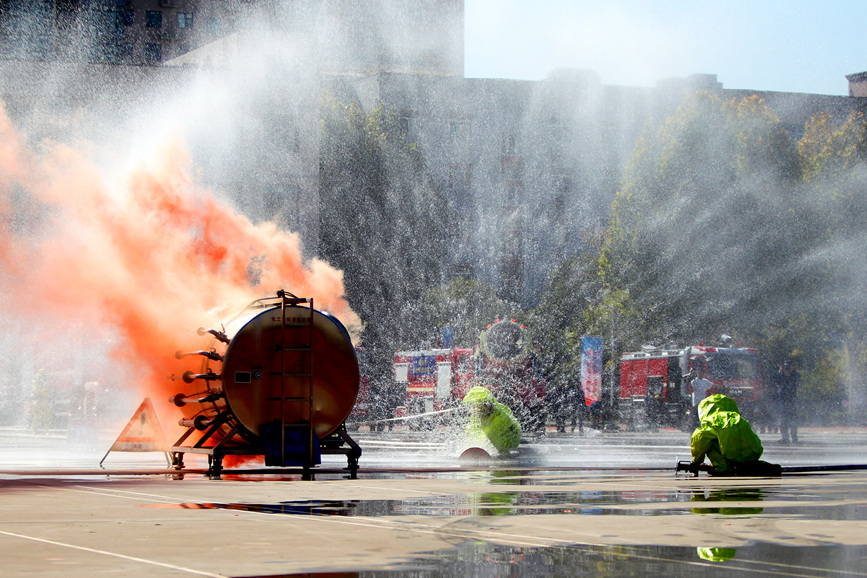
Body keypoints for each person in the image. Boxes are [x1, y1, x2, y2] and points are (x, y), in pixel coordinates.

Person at [690, 393, 780, 476]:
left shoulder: (712, 419)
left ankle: (722, 468)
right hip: (752, 451)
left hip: (730, 453)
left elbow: (700, 438)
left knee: (709, 441)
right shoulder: (737, 417)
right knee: (747, 463)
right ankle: (762, 467)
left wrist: (697, 462)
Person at [461, 386, 522, 456]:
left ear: (490, 403)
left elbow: (489, 434)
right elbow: (471, 432)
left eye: (482, 405)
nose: (478, 408)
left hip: (506, 442)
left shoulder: (500, 415)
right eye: (475, 406)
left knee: (492, 433)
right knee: (470, 429)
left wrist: (478, 447)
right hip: (495, 443)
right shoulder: (476, 416)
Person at [773, 358, 800, 444]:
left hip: (792, 400)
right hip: (782, 400)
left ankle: (794, 437)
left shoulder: (796, 375)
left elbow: (793, 384)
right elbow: (775, 381)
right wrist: (780, 372)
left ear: (793, 366)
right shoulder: (781, 374)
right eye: (786, 366)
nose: (788, 368)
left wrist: (788, 375)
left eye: (789, 366)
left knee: (793, 420)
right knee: (783, 420)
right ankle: (785, 438)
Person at [686, 361, 714, 429]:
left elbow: (713, 385)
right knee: (695, 417)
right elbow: (691, 390)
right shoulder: (694, 381)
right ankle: (692, 428)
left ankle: (701, 428)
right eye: (699, 372)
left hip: (703, 403)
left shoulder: (705, 381)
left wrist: (724, 386)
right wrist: (689, 382)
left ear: (704, 373)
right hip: (696, 403)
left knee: (703, 417)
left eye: (701, 372)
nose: (700, 374)